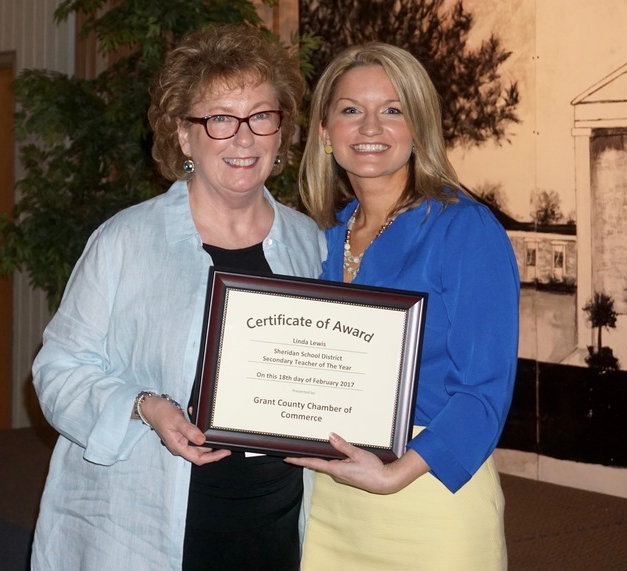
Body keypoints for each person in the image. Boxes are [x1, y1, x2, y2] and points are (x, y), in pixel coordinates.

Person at [29, 24, 326, 570]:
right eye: (219, 119)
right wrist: (144, 407)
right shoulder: (125, 241)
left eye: (261, 116)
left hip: (274, 528)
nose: (244, 138)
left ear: (282, 131)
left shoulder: (309, 243)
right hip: (147, 529)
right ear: (184, 136)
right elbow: (58, 371)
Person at [286, 42, 520, 569]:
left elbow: (484, 391)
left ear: (419, 128)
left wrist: (396, 473)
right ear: (324, 133)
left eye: (392, 110)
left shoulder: (465, 230)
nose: (371, 127)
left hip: (431, 496)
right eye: (351, 110)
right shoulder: (316, 239)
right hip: (325, 503)